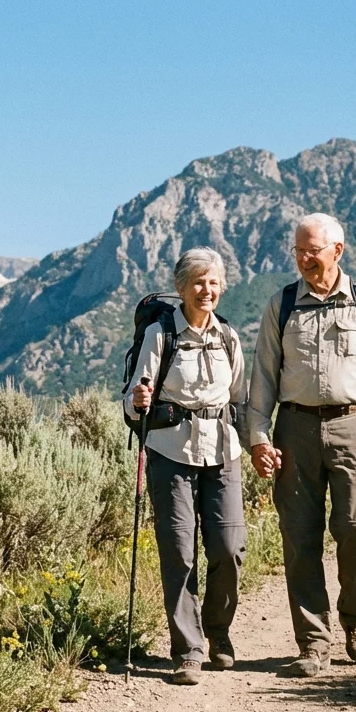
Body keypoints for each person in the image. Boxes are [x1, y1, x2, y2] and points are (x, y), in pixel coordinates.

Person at [247, 213, 356, 677]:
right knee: (299, 538)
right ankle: (313, 644)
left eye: (311, 250)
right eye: (298, 250)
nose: (303, 259)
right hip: (294, 431)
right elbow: (261, 379)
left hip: (354, 425)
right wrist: (258, 438)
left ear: (337, 251)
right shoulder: (281, 305)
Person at [125, 247, 247, 686]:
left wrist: (259, 445)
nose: (206, 290)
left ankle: (219, 634)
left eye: (213, 282)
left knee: (230, 548)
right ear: (182, 289)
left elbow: (240, 399)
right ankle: (188, 649)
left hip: (223, 451)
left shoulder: (229, 337)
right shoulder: (162, 335)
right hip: (170, 451)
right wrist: (138, 402)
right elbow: (133, 397)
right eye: (198, 282)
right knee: (179, 552)